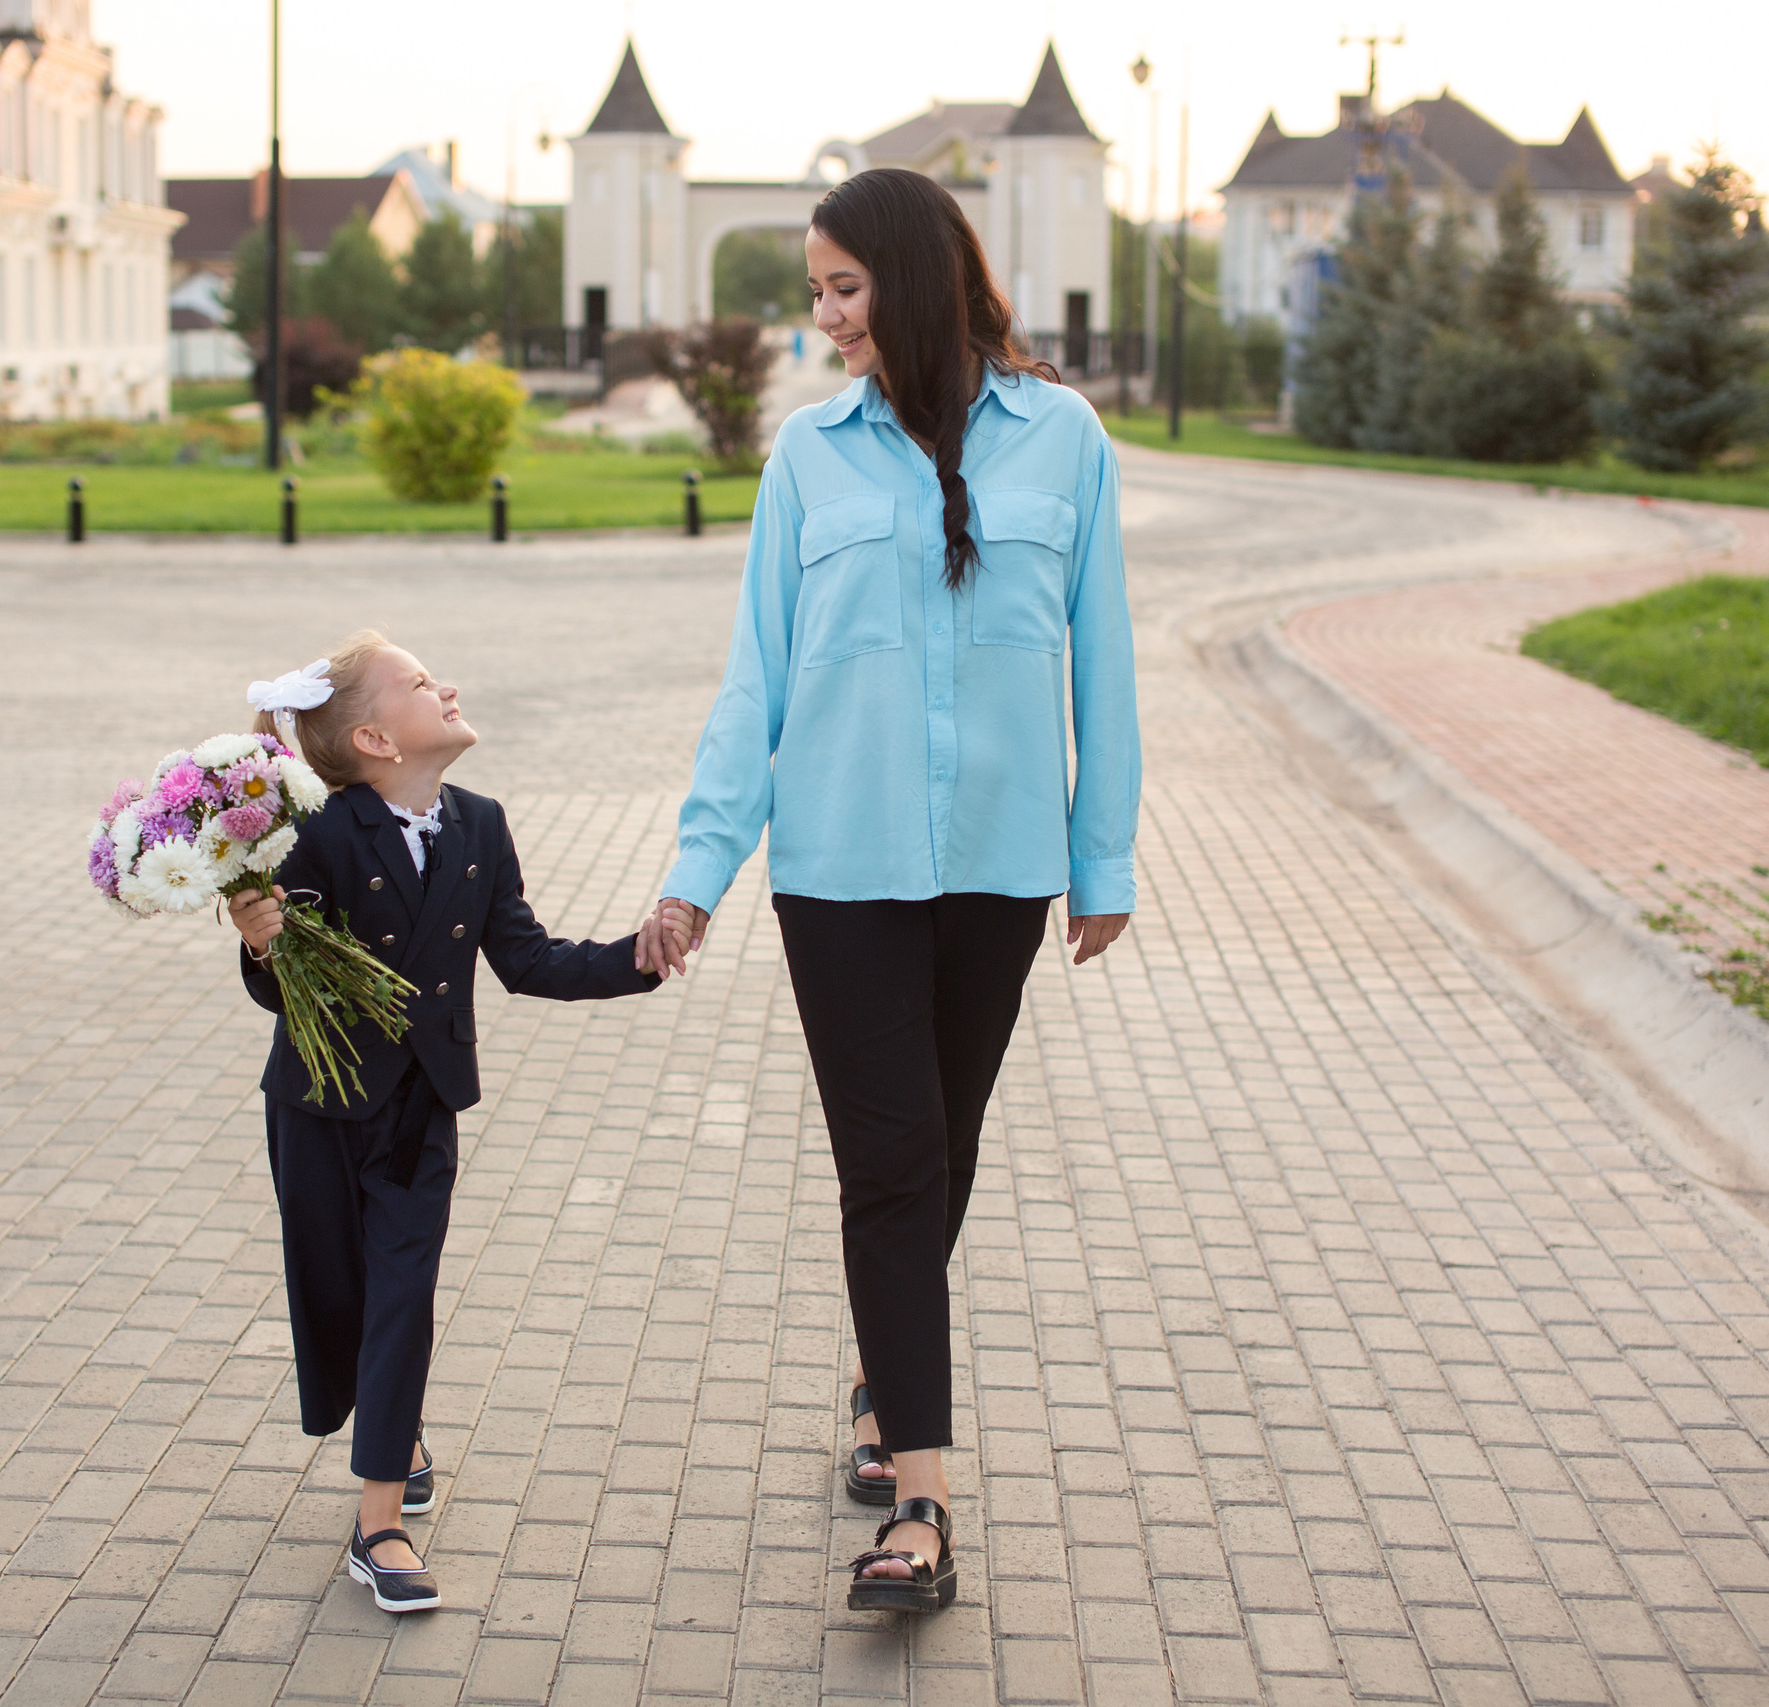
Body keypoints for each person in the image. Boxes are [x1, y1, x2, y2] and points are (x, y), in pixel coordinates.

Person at [637, 168, 1140, 1614]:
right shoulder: (808, 458)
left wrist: (1100, 858)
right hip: (842, 874)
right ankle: (921, 1502)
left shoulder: (1066, 442)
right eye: (815, 291)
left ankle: (879, 1373)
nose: (826, 318)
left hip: (999, 868)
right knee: (895, 1161)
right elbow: (758, 682)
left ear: (913, 280)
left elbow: (1101, 662)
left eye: (844, 288)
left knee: (945, 1148)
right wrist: (697, 870)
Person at [232, 634, 691, 1614]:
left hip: (419, 1113)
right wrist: (264, 943)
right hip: (317, 1106)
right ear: (373, 738)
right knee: (341, 1295)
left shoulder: (480, 826)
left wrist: (643, 956)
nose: (444, 686)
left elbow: (529, 961)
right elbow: (287, 986)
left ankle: (378, 1521)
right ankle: (389, 1431)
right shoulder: (320, 832)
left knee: (404, 1291)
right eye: (417, 683)